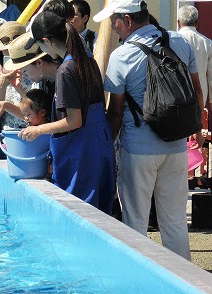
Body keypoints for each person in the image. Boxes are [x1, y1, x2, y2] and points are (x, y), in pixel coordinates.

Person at [93, 0, 204, 259]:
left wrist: (107, 146)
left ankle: (139, 279)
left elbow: (116, 112)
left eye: (114, 21)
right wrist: (195, 128)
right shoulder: (179, 42)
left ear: (128, 20)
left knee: (136, 222)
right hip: (176, 147)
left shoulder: (121, 55)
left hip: (139, 150)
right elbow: (196, 90)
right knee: (175, 220)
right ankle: (182, 280)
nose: (112, 26)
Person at [23, 11, 116, 214]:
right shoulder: (87, 60)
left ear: (47, 41)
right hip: (100, 146)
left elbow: (74, 120)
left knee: (80, 214)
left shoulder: (65, 70)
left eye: (39, 45)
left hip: (80, 155)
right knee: (101, 213)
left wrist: (38, 130)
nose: (40, 50)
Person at [178, 5, 212, 107]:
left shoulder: (171, 41)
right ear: (197, 22)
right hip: (200, 95)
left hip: (175, 94)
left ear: (178, 22)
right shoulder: (208, 43)